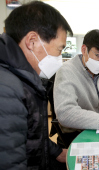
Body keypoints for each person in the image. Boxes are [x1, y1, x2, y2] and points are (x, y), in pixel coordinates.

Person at [0, 1, 73, 170]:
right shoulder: (7, 91)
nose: (59, 58)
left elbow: (30, 135)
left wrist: (57, 152)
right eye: (59, 50)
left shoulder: (21, 78)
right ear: (32, 41)